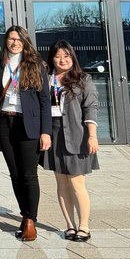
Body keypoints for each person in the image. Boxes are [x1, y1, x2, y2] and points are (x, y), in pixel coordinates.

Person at [0, 26, 51, 241]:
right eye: (10, 39)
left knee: (29, 174)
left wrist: (45, 132)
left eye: (18, 39)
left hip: (29, 125)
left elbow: (45, 101)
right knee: (15, 174)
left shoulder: (36, 65)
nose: (14, 43)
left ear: (25, 42)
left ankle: (30, 220)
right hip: (5, 123)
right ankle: (24, 215)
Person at [41, 40, 100, 242]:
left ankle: (84, 226)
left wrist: (92, 136)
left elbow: (90, 107)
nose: (62, 60)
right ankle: (69, 226)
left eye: (66, 56)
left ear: (72, 57)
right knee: (61, 182)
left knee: (76, 182)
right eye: (58, 56)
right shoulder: (46, 79)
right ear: (52, 58)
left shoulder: (83, 79)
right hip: (54, 135)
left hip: (77, 135)